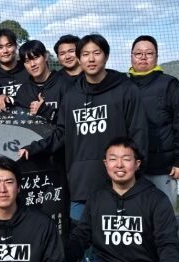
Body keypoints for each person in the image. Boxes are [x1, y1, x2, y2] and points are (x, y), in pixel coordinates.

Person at [19, 34, 148, 223]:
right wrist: (33, 148)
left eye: (97, 53)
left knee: (114, 237)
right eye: (86, 54)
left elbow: (138, 132)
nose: (91, 59)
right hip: (81, 183)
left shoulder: (126, 89)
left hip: (119, 182)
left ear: (106, 56)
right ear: (79, 59)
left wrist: (136, 172)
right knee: (80, 236)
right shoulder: (72, 95)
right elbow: (61, 133)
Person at [129, 35, 179, 209]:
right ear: (131, 56)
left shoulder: (169, 85)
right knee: (135, 218)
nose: (143, 57)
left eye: (149, 53)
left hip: (163, 167)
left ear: (156, 57)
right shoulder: (123, 86)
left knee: (163, 216)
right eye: (138, 53)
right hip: (131, 168)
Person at [13, 39, 69, 123]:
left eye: (35, 58)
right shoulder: (23, 91)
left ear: (45, 56)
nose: (32, 64)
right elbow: (20, 122)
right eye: (27, 61)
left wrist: (45, 110)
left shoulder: (65, 84)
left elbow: (72, 120)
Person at [0, 28, 30, 111]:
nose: (5, 51)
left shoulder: (30, 71)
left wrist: (10, 99)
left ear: (16, 46)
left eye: (9, 46)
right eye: (0, 47)